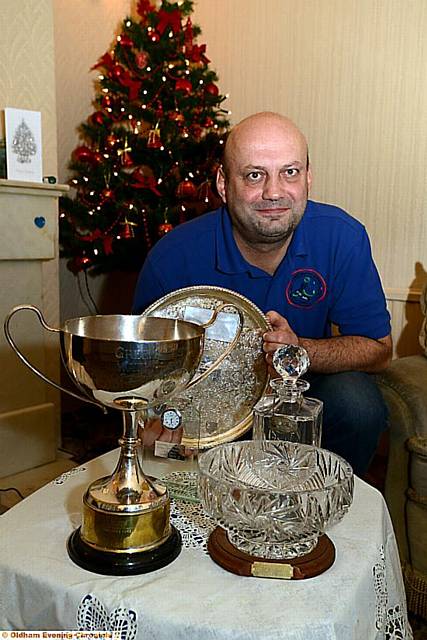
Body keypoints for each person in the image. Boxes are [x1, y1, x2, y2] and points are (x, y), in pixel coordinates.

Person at [132, 111, 392, 476]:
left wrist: (300, 349)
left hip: (300, 398)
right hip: (210, 411)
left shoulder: (342, 237)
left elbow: (379, 349)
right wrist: (158, 427)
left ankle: (327, 508)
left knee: (358, 403)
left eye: (290, 172)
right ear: (223, 184)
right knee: (162, 451)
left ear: (308, 178)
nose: (274, 192)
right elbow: (141, 377)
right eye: (255, 175)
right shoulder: (172, 259)